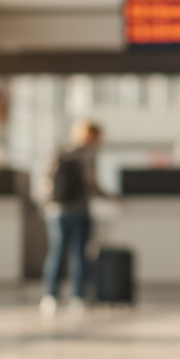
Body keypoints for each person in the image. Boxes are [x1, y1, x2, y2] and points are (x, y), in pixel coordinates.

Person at [40, 120, 106, 315]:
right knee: (79, 253)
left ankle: (50, 296)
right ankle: (78, 296)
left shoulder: (60, 151)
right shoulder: (87, 155)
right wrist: (108, 196)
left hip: (55, 210)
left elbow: (45, 181)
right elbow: (91, 184)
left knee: (56, 252)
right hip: (78, 210)